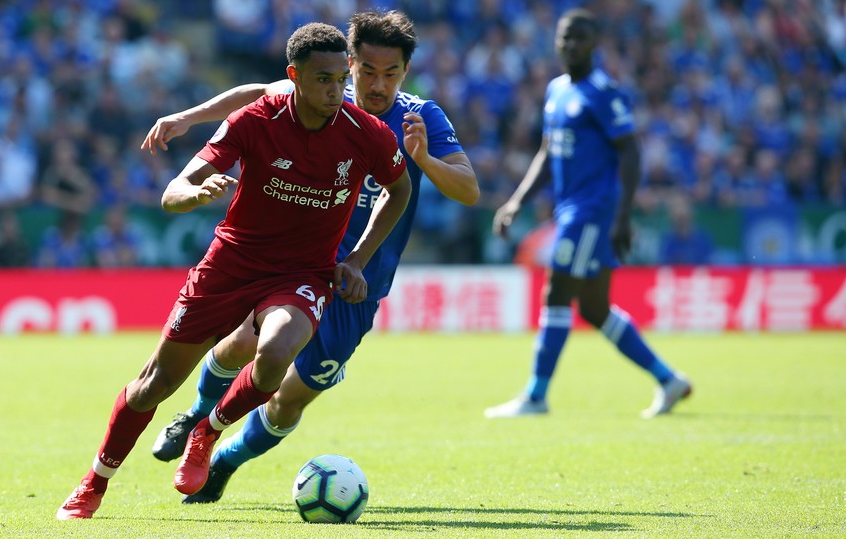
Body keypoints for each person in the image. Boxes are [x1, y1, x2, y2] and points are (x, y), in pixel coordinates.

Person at [57, 22, 412, 520]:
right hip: (231, 263)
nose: (336, 92)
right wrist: (193, 195)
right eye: (322, 81)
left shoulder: (365, 132)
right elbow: (174, 189)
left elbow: (400, 191)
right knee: (154, 385)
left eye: (339, 79)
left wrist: (355, 259)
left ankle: (208, 429)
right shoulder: (255, 119)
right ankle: (94, 483)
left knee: (276, 352)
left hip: (303, 274)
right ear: (294, 77)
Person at [138, 10, 478, 503]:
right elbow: (256, 92)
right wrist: (187, 118)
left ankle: (224, 463)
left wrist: (422, 160)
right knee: (241, 348)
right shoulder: (318, 95)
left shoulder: (420, 118)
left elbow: (468, 189)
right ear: (350, 64)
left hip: (359, 286)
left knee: (289, 401)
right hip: (295, 268)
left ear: (406, 71)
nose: (378, 85)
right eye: (367, 71)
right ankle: (195, 420)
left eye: (392, 73)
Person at [484, 9, 692, 420]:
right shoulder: (557, 91)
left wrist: (623, 216)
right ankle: (669, 380)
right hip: (572, 211)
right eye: (565, 38)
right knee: (595, 309)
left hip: (592, 212)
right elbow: (548, 152)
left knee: (556, 292)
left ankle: (536, 395)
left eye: (579, 38)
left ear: (595, 43)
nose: (570, 45)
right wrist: (517, 201)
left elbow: (630, 150)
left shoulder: (603, 92)